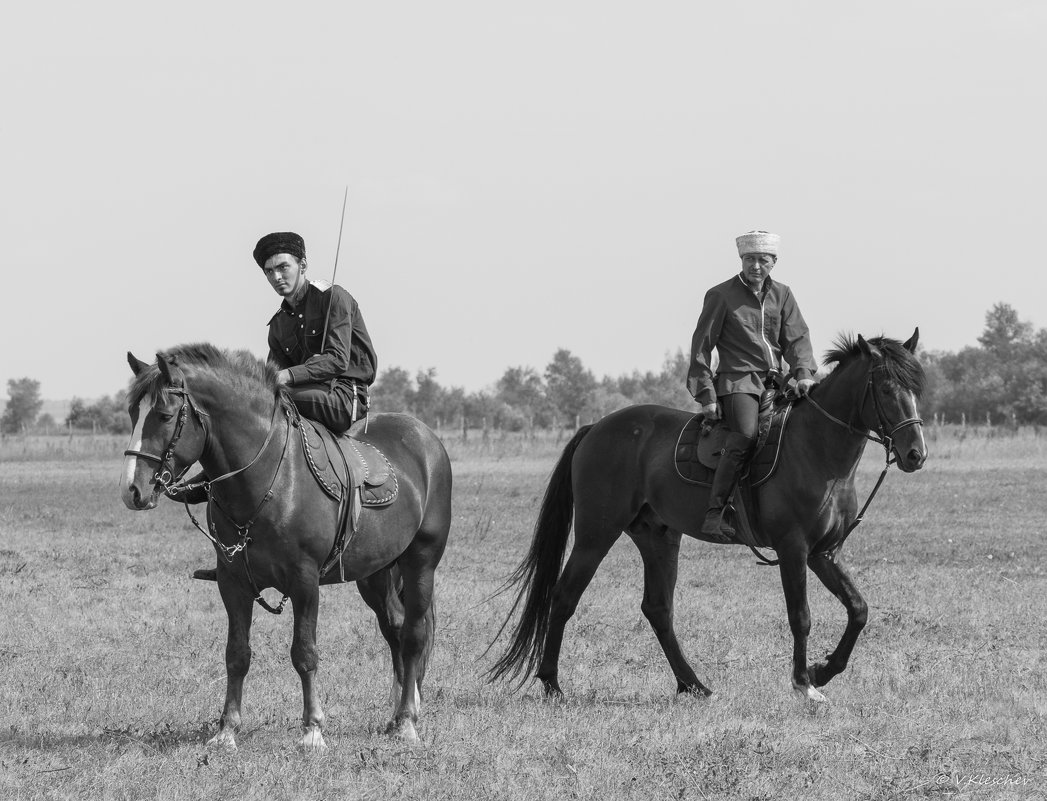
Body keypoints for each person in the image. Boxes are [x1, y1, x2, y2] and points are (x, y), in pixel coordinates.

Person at [173, 231, 377, 579]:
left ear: (303, 265)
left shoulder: (334, 299)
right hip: (302, 402)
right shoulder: (278, 324)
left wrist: (284, 378)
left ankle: (206, 482)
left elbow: (337, 360)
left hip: (344, 397)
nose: (276, 277)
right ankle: (219, 496)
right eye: (269, 272)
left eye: (283, 267)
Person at [686, 230, 817, 540]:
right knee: (745, 436)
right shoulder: (720, 295)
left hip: (776, 382)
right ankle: (716, 513)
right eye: (749, 259)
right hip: (737, 382)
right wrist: (705, 393)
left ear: (774, 262)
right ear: (741, 260)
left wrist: (803, 374)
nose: (756, 266)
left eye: (762, 260)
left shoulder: (783, 295)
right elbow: (701, 346)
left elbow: (797, 339)